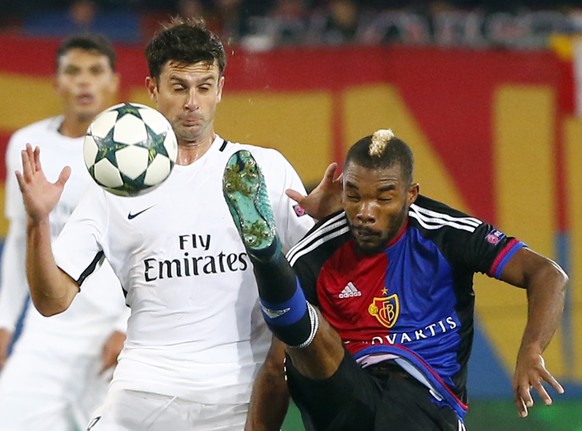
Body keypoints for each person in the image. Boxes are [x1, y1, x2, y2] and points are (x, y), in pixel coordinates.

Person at [15, 17, 314, 430]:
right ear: (153, 90)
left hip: (236, 399)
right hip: (141, 394)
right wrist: (38, 222)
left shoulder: (262, 170)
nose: (193, 102)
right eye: (178, 87)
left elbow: (312, 282)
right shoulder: (114, 185)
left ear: (220, 89)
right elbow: (52, 300)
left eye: (204, 87)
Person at [221, 129, 568, 430]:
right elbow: (274, 369)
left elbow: (547, 274)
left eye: (383, 198)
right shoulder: (314, 254)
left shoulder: (446, 233)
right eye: (353, 196)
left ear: (411, 194)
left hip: (427, 401)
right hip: (344, 399)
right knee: (307, 337)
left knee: (399, 391)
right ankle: (267, 258)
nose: (365, 212)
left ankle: (270, 264)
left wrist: (531, 349)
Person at [0, 35, 129, 430]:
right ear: (56, 84)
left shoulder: (134, 151)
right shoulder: (28, 144)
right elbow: (20, 239)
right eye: (72, 72)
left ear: (113, 82)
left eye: (95, 72)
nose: (83, 82)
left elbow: (147, 242)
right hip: (47, 328)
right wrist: (4, 323)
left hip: (111, 332)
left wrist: (126, 327)